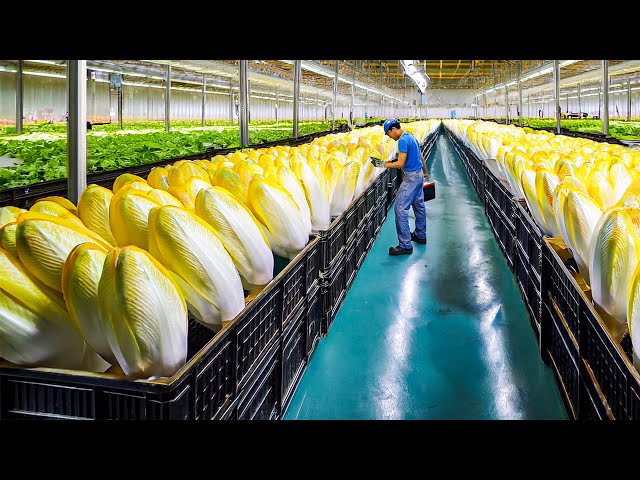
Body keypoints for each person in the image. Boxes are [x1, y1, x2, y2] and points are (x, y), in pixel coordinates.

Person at [371, 118, 428, 256]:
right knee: (419, 205)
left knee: (400, 208)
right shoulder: (411, 137)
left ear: (393, 129)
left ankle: (405, 245)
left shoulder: (402, 141)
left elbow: (401, 163)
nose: (390, 137)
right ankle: (421, 236)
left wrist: (382, 164)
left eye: (388, 134)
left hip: (411, 178)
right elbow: (420, 156)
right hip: (419, 174)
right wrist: (425, 172)